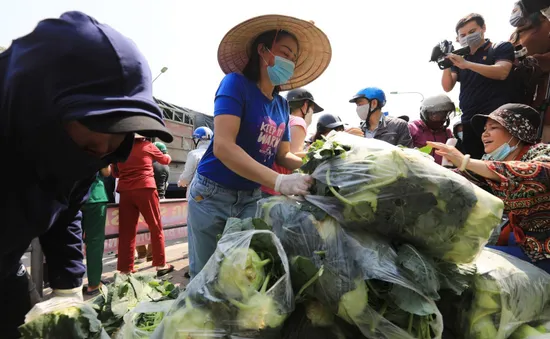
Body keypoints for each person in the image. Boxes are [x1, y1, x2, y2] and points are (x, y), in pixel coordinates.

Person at [0, 12, 173, 338]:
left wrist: (67, 289)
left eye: (118, 136)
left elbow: (65, 211)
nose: (103, 150)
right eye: (97, 128)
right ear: (40, 104)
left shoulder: (82, 152)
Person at [187, 15, 331, 278]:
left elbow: (284, 154)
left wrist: (322, 158)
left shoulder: (279, 106)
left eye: (294, 58)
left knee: (241, 276)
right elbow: (223, 147)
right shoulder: (236, 84)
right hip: (211, 195)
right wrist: (278, 181)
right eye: (285, 52)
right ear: (263, 51)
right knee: (205, 276)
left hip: (250, 199)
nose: (290, 61)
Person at [429, 103, 550, 273]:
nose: (484, 134)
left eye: (493, 127)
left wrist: (466, 161)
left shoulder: (542, 153)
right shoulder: (493, 164)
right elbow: (459, 180)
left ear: (516, 132)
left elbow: (538, 173)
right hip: (518, 243)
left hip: (543, 252)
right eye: (484, 129)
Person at [442, 13, 515, 160]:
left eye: (472, 32)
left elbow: (502, 72)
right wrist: (445, 63)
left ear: (483, 28)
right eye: (462, 35)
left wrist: (467, 65)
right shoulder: (460, 58)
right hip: (469, 120)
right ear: (457, 39)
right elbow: (448, 86)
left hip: (495, 120)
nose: (467, 37)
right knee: (473, 165)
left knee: (499, 164)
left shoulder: (500, 47)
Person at [112, 135, 173, 276]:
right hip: (146, 189)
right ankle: (161, 264)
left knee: (126, 231)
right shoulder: (148, 145)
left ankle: (125, 269)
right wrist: (167, 155)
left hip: (125, 191)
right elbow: (164, 161)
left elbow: (115, 173)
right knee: (155, 226)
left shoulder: (120, 148)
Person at [261, 88, 323, 197]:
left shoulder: (281, 119)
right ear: (305, 105)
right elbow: (292, 155)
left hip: (264, 180)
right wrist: (319, 157)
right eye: (312, 109)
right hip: (277, 186)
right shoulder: (298, 121)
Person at [509, 2, 550, 142]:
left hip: (544, 95)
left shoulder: (544, 24)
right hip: (525, 98)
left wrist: (536, 61)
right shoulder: (516, 34)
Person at [136, 141, 170, 263]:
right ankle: (151, 255)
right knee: (155, 226)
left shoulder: (150, 164)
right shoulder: (165, 166)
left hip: (147, 196)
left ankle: (141, 254)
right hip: (161, 197)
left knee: (138, 227)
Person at [81, 166, 111, 296]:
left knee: (70, 239)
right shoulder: (99, 145)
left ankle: (70, 283)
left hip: (71, 195)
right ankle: (94, 283)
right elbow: (106, 171)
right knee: (95, 241)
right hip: (94, 196)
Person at [409, 94, 454, 165]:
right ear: (425, 114)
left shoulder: (447, 133)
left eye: (442, 115)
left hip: (444, 172)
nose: (439, 118)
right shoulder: (413, 128)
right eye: (435, 115)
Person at [177, 126, 213, 198]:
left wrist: (181, 182)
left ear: (197, 140)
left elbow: (187, 176)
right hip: (212, 195)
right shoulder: (215, 154)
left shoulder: (194, 154)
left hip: (197, 195)